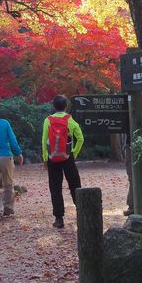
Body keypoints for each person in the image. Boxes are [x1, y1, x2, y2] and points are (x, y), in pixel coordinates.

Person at [42, 95, 84, 229]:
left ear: (53, 107)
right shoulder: (70, 121)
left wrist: (45, 157)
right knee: (74, 184)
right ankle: (81, 212)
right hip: (68, 156)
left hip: (52, 157)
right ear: (66, 107)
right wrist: (74, 152)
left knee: (55, 187)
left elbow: (44, 141)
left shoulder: (48, 120)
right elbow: (81, 138)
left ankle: (59, 218)